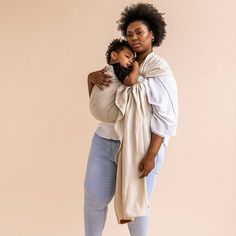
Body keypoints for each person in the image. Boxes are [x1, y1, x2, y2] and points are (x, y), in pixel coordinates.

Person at [84, 3, 178, 236]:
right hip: (105, 140)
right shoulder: (121, 63)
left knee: (136, 206)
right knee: (94, 198)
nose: (134, 37)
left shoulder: (159, 71)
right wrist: (90, 78)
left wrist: (151, 155)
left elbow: (166, 118)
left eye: (140, 32)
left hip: (141, 148)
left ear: (152, 34)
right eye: (129, 33)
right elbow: (102, 100)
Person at [89, 38, 139, 122]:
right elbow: (131, 81)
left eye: (133, 60)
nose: (131, 61)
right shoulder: (117, 67)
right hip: (107, 111)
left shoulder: (107, 70)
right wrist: (136, 65)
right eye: (127, 56)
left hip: (93, 110)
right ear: (114, 56)